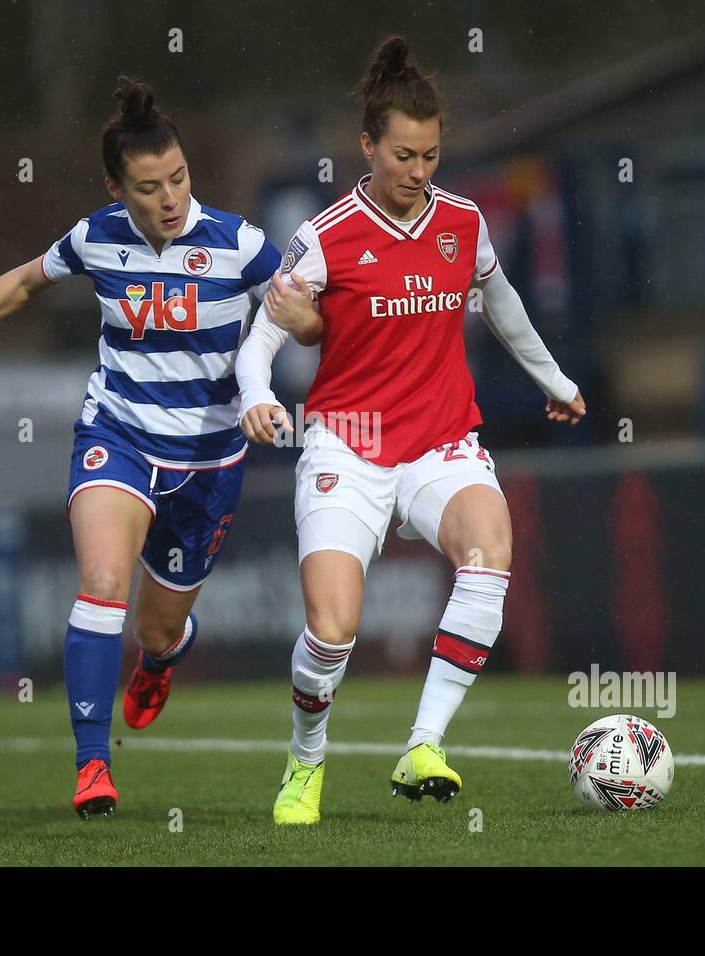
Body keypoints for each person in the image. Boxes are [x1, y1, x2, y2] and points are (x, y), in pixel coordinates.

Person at [0, 77, 282, 818]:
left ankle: (162, 657)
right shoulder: (96, 237)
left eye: (180, 178)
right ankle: (94, 767)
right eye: (150, 186)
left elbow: (302, 307)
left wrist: (287, 367)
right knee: (100, 580)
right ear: (115, 188)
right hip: (117, 435)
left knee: (155, 626)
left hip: (209, 461)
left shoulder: (239, 244)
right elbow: (25, 282)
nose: (170, 197)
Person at [235, 36, 585, 825]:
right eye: (402, 154)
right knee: (332, 630)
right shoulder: (326, 235)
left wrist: (555, 382)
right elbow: (259, 338)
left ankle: (424, 744)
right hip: (346, 444)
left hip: (439, 441)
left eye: (429, 154)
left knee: (490, 550)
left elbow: (503, 306)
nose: (418, 171)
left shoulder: (462, 223)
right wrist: (256, 396)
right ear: (367, 146)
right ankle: (305, 761)